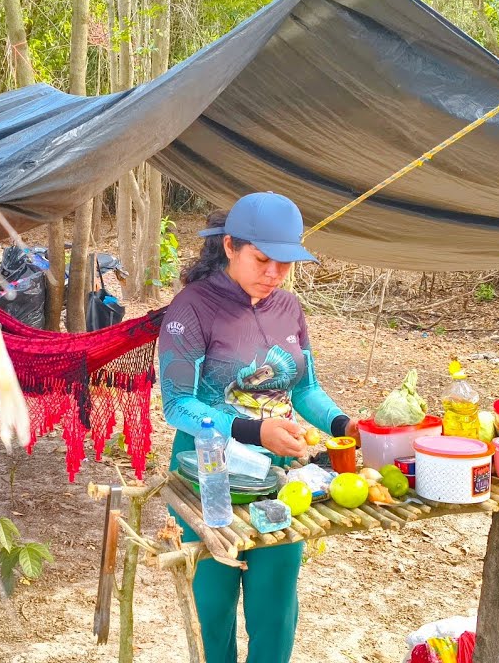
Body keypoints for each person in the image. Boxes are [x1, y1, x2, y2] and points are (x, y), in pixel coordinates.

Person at [158, 192, 357, 663]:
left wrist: (345, 423)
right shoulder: (192, 308)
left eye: (285, 264)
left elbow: (306, 389)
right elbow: (177, 404)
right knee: (213, 603)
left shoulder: (288, 308)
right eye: (262, 259)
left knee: (275, 604)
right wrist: (252, 430)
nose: (273, 274)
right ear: (230, 246)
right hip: (206, 475)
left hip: (281, 477)